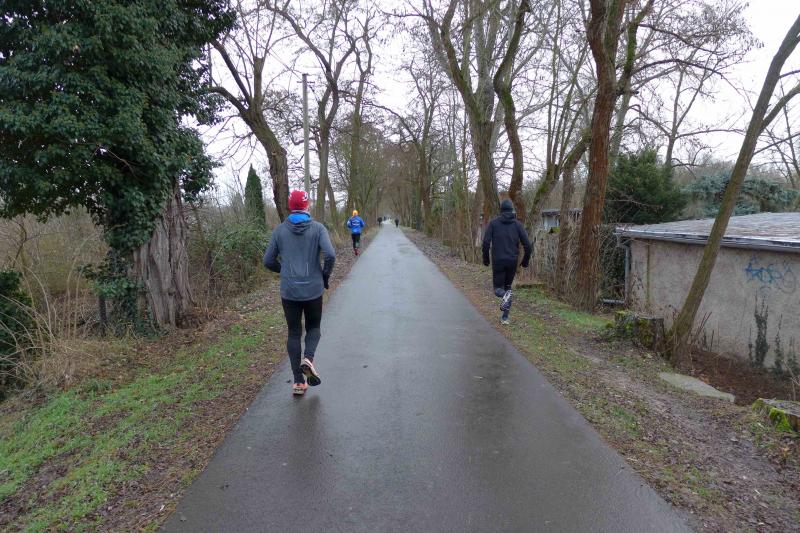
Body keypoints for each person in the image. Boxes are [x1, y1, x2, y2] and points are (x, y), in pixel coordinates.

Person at [264, 190, 336, 396]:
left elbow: (267, 261)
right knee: (314, 328)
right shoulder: (318, 228)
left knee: (294, 332)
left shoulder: (279, 231)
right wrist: (324, 276)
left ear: (290, 206)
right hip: (313, 289)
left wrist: (284, 271)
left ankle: (298, 382)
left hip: (290, 291)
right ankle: (308, 359)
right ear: (307, 205)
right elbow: (330, 255)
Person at [482, 199, 532, 325]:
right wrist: (525, 261)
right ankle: (505, 318)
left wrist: (486, 259)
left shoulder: (493, 224)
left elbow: (486, 242)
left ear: (501, 210)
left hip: (498, 261)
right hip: (512, 262)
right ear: (511, 210)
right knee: (508, 287)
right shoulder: (517, 225)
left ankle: (504, 295)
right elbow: (528, 245)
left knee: (498, 289)